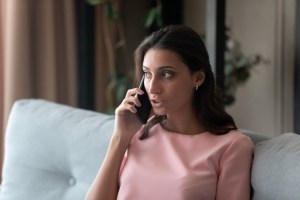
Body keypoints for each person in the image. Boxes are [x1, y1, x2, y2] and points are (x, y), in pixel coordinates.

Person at [85, 25, 254, 200]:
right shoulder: (138, 133)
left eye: (166, 74)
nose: (153, 88)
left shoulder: (232, 146)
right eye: (147, 74)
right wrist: (120, 138)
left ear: (198, 78)